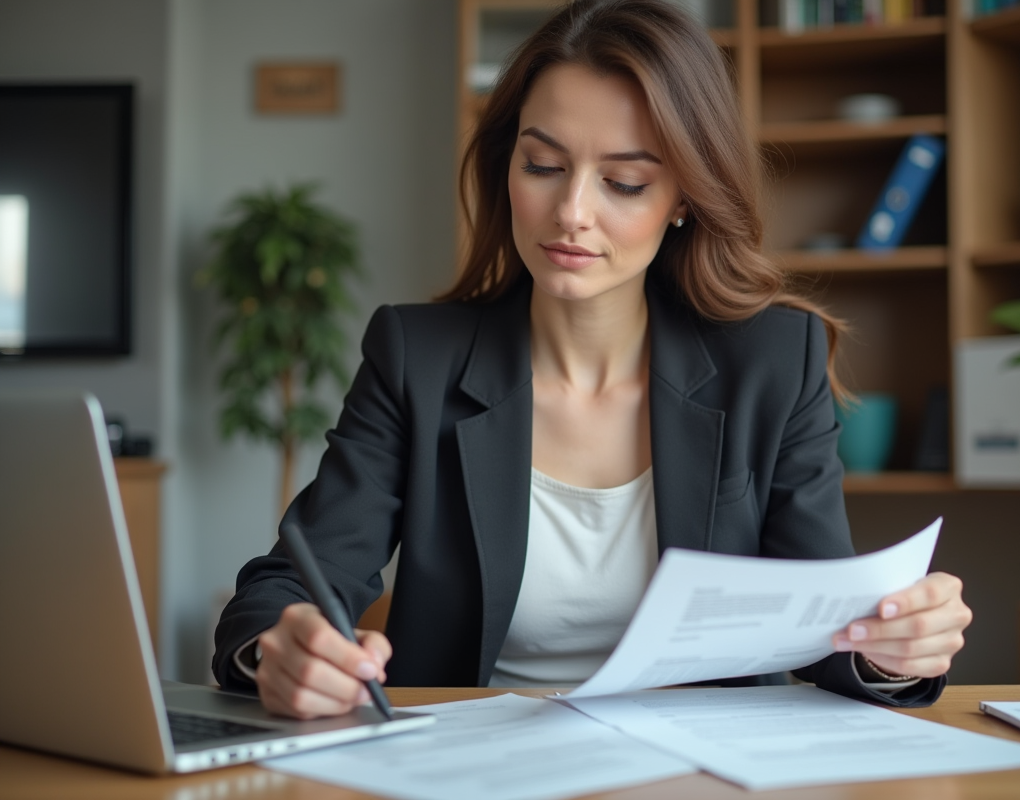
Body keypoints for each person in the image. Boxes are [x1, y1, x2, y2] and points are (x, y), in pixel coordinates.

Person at [214, 0, 972, 719]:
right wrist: (278, 647)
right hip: (471, 770)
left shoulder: (773, 361)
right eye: (542, 165)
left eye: (625, 181)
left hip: (699, 775)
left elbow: (825, 629)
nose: (572, 211)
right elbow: (290, 580)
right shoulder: (417, 359)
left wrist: (896, 649)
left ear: (683, 196)